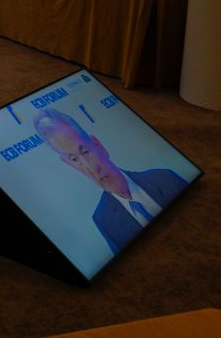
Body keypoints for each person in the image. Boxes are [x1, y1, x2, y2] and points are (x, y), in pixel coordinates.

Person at [33, 109, 188, 255]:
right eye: (74, 159)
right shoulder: (103, 220)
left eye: (86, 151)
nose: (91, 168)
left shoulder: (165, 178)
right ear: (71, 166)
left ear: (99, 146)